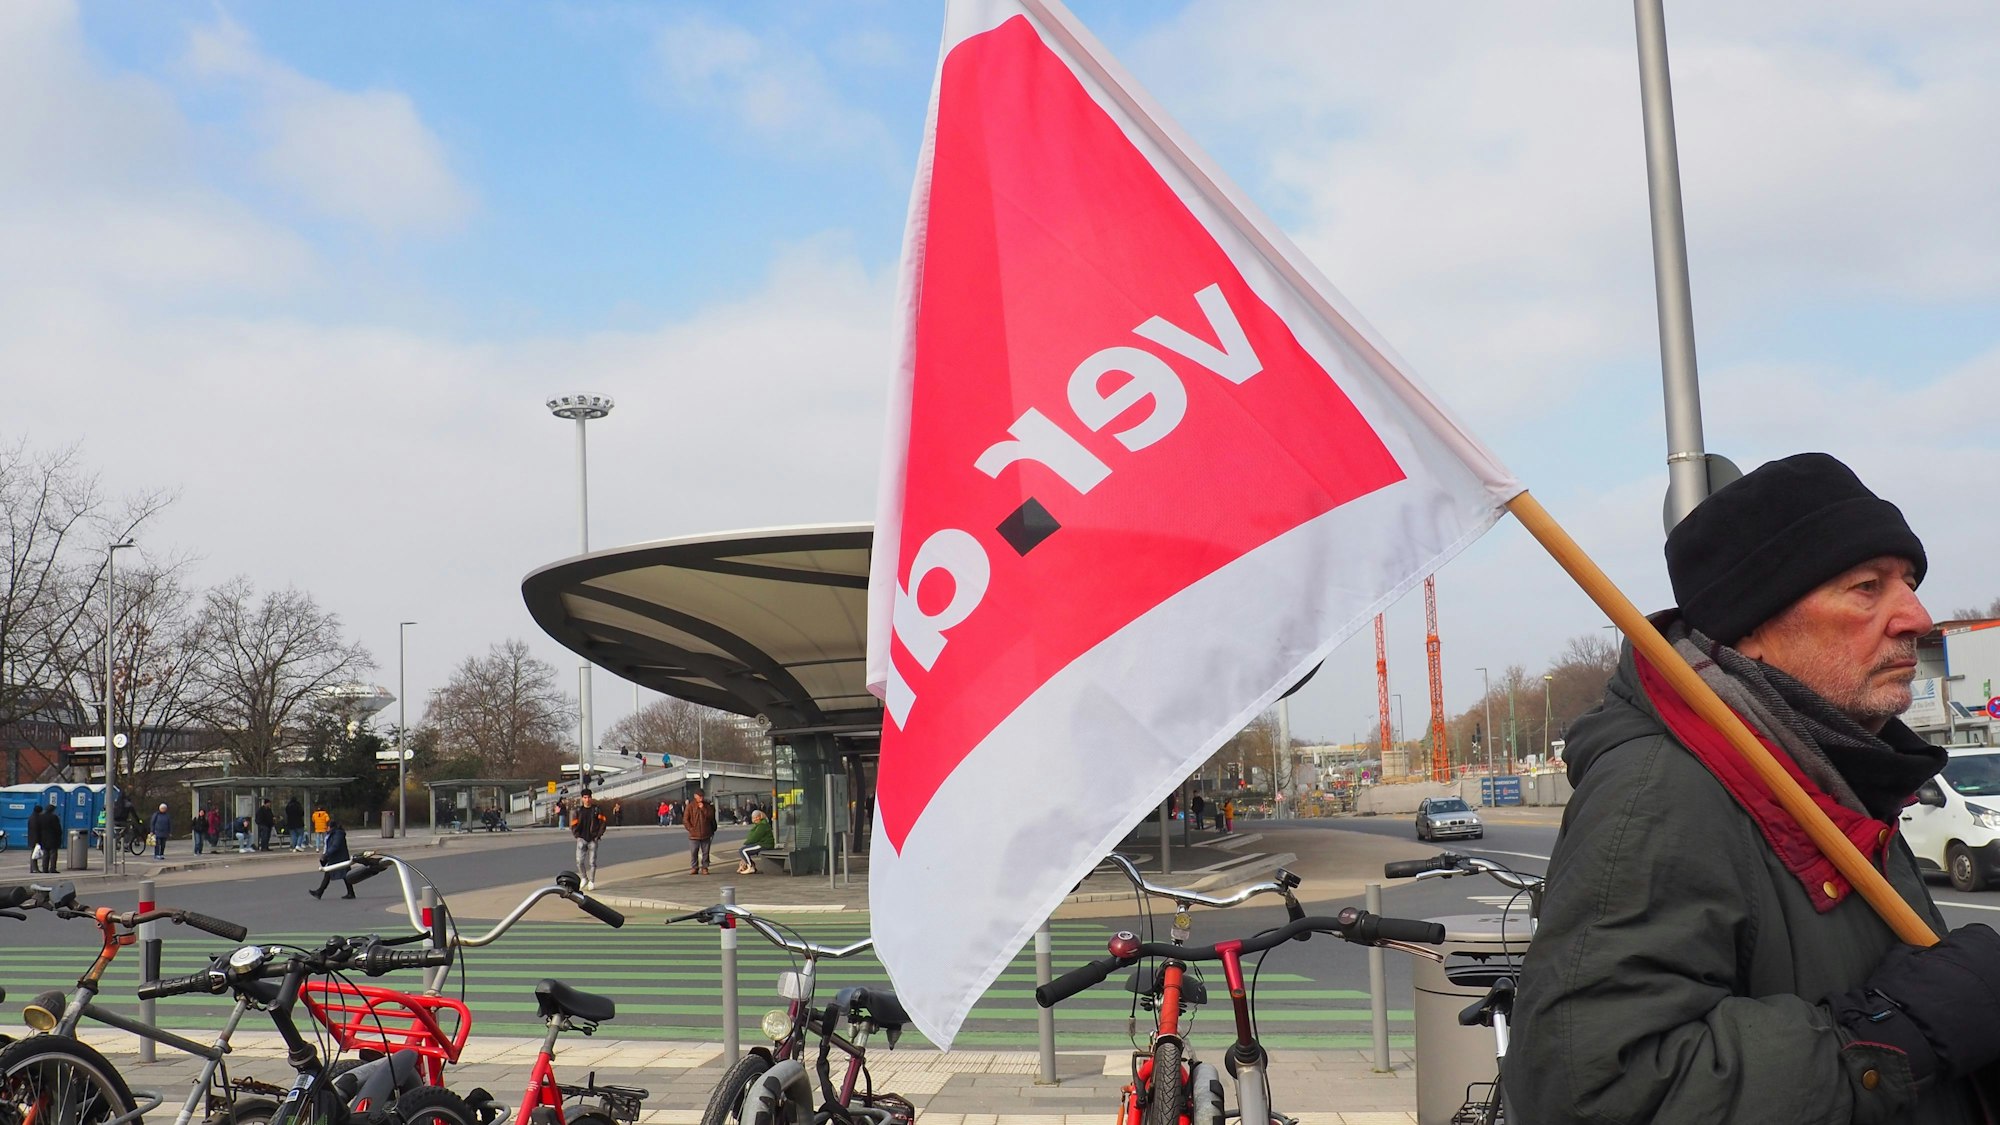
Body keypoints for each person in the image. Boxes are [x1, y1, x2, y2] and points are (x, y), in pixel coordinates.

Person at [1511, 453, 2000, 1124]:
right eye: (1867, 586)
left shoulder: (1834, 772)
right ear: (1755, 626)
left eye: (1909, 581)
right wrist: (1894, 1034)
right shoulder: (1665, 790)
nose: (1916, 615)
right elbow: (1594, 1088)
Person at [308, 818, 355, 899]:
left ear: (331, 827)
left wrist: (326, 854)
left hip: (340, 858)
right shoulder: (334, 833)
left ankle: (320, 892)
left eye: (328, 827)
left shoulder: (338, 834)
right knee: (331, 874)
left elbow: (335, 846)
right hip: (337, 858)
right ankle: (320, 892)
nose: (327, 828)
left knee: (345, 875)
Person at [569, 790, 607, 890]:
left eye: (588, 797)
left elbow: (603, 822)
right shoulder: (578, 810)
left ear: (591, 797)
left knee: (592, 862)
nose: (587, 799)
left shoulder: (596, 809)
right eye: (585, 797)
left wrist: (598, 835)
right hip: (581, 838)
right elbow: (573, 824)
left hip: (593, 839)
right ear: (582, 798)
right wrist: (576, 835)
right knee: (579, 861)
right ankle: (584, 878)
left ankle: (592, 881)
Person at [684, 790, 716, 875]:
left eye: (702, 796)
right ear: (695, 796)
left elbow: (711, 817)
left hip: (706, 833)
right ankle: (694, 867)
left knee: (706, 852)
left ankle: (705, 867)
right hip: (694, 835)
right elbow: (686, 819)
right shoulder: (690, 806)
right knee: (694, 852)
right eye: (699, 796)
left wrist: (703, 809)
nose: (701, 798)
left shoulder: (707, 805)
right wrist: (690, 829)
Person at [737, 809, 774, 874]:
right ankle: (750, 865)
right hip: (762, 843)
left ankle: (750, 867)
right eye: (754, 817)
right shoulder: (760, 824)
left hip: (764, 844)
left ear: (761, 817)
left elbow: (755, 837)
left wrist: (746, 844)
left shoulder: (762, 826)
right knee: (744, 850)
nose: (755, 819)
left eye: (757, 817)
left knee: (743, 850)